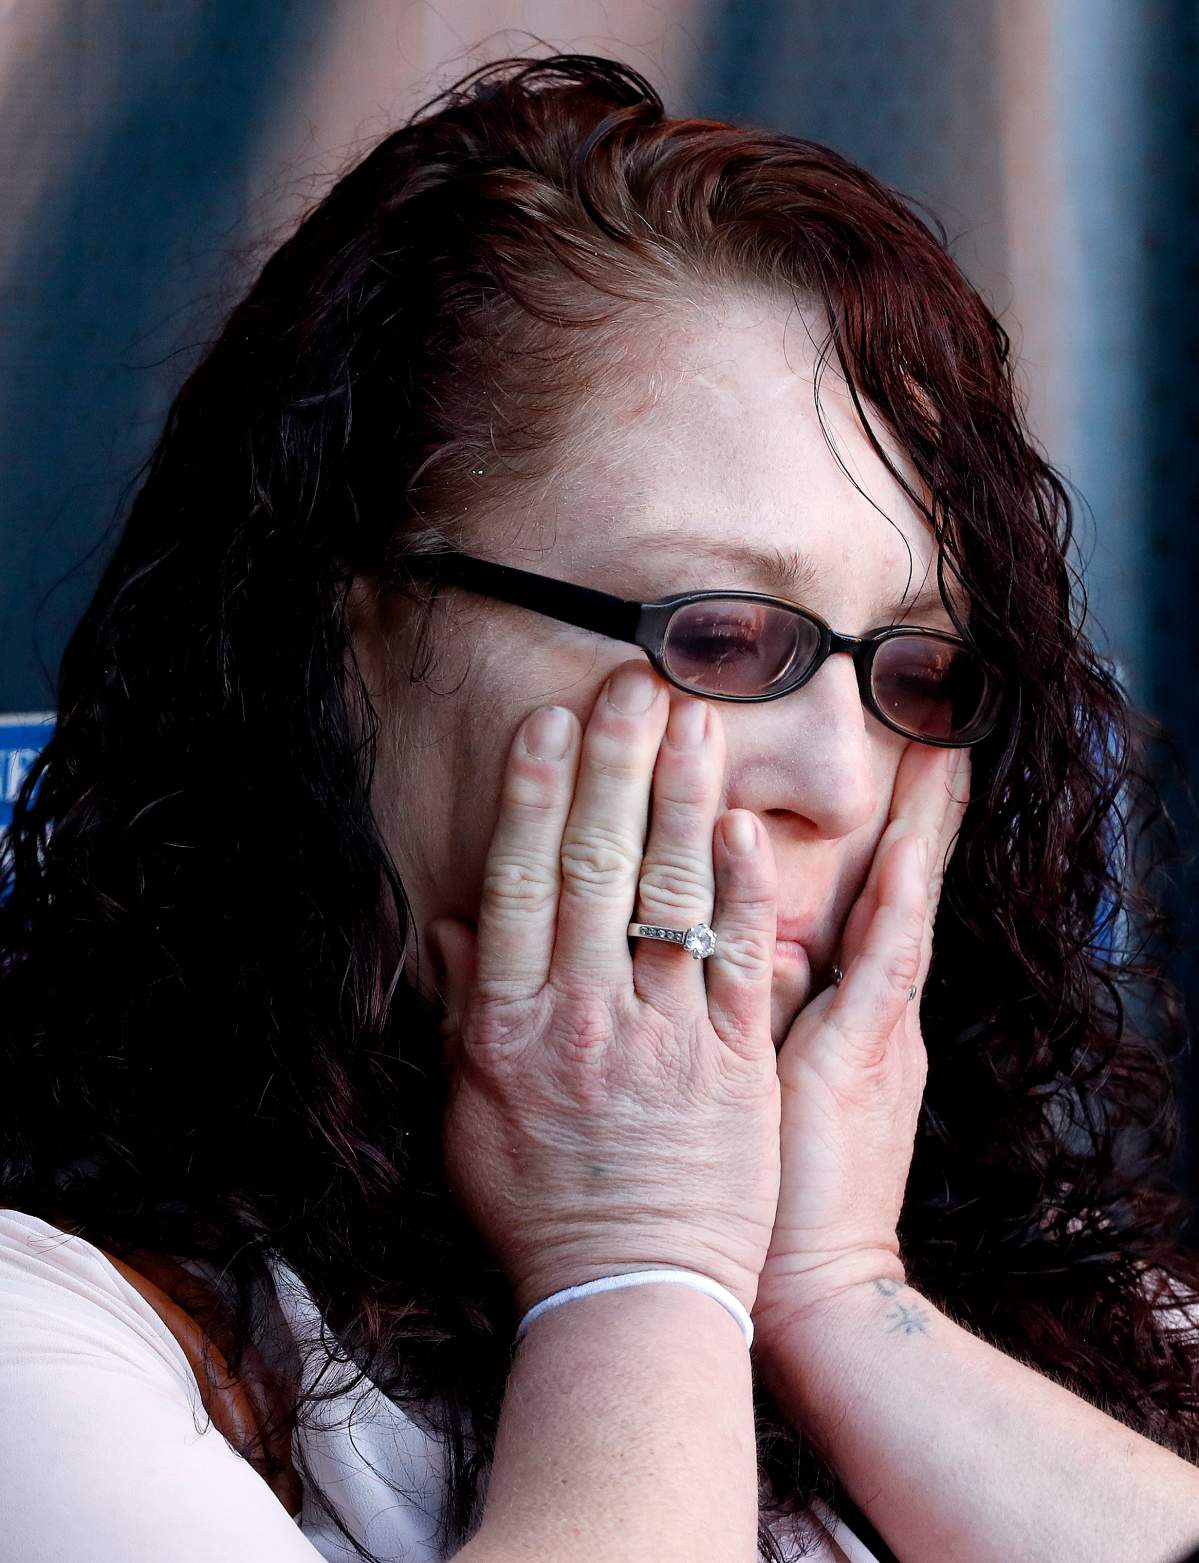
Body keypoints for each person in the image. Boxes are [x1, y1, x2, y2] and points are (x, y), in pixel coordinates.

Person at [1, 47, 1198, 1563]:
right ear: (344, 650)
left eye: (916, 672)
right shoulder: (54, 1347)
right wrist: (635, 1269)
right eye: (719, 637)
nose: (840, 784)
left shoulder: (1099, 1322)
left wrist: (839, 1295)